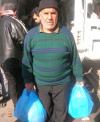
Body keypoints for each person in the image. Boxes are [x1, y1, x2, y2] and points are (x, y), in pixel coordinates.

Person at [22, 0, 84, 121]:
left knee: (61, 114)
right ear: (39, 15)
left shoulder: (66, 34)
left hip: (63, 83)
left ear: (57, 15)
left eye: (53, 13)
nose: (49, 17)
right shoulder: (31, 36)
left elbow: (75, 58)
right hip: (41, 84)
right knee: (44, 113)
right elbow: (26, 60)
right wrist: (28, 81)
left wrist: (79, 78)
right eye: (45, 13)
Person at [0, 2, 27, 107]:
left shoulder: (1, 22)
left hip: (3, 60)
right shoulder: (13, 21)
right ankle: (23, 106)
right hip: (15, 59)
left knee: (12, 83)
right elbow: (23, 40)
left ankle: (17, 107)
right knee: (20, 82)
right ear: (14, 11)